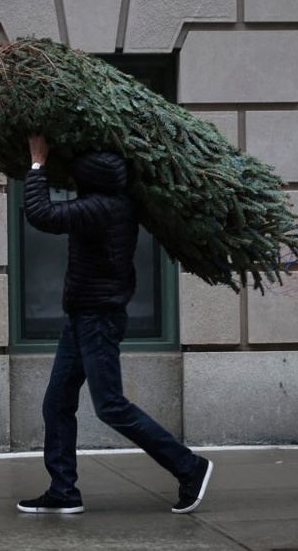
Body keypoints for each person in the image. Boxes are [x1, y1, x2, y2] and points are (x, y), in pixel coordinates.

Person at [16, 134, 213, 515]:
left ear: (90, 182)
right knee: (57, 403)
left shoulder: (99, 208)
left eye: (76, 178)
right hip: (83, 315)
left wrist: (38, 162)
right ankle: (63, 491)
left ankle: (190, 467)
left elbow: (41, 214)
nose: (71, 183)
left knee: (110, 406)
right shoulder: (116, 201)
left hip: (97, 319)